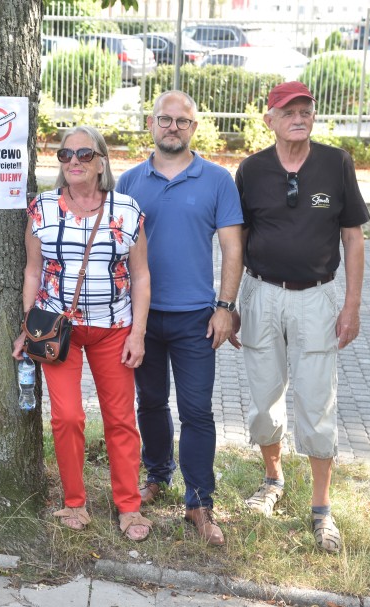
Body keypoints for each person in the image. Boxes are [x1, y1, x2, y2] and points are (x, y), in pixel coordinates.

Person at [232, 81, 369, 553]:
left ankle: (321, 509)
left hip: (317, 298)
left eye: (306, 109)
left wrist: (350, 306)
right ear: (268, 119)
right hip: (261, 294)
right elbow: (236, 241)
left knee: (316, 402)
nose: (299, 116)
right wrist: (229, 306)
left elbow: (353, 238)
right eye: (288, 110)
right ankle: (272, 481)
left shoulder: (336, 164)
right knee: (262, 399)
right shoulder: (250, 169)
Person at [115, 90, 243, 547]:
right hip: (141, 319)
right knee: (149, 404)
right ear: (150, 124)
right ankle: (158, 475)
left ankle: (200, 501)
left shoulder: (216, 180)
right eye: (164, 120)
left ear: (194, 128)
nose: (172, 127)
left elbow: (232, 248)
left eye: (182, 122)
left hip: (195, 319)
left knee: (196, 411)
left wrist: (225, 307)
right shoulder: (129, 182)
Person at [13, 125, 153, 542]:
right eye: (65, 155)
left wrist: (138, 333)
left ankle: (129, 506)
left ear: (102, 161)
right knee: (68, 416)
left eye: (84, 155)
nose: (73, 161)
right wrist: (29, 325)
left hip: (114, 329)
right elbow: (33, 271)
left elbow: (142, 275)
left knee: (120, 419)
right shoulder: (41, 208)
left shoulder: (126, 209)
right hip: (59, 331)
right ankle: (74, 501)